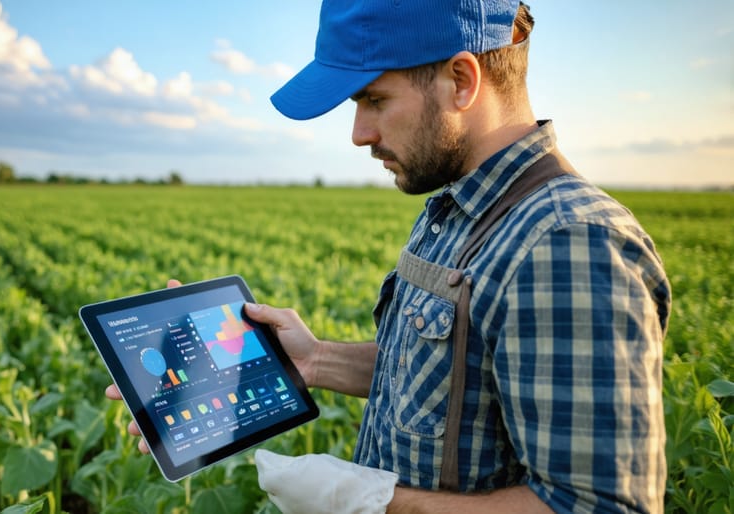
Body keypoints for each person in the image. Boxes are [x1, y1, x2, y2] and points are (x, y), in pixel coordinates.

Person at [107, 0, 671, 512]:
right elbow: (463, 379)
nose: (358, 133)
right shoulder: (458, 206)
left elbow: (600, 506)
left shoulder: (566, 242)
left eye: (374, 99)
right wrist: (316, 361)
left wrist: (378, 503)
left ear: (461, 80)